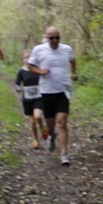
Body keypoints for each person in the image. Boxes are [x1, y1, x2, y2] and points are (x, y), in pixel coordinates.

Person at [27, 26, 77, 166]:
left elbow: (72, 60)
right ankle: (51, 137)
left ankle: (64, 154)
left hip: (63, 90)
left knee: (62, 121)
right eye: (51, 38)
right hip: (46, 91)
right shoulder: (39, 50)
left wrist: (74, 73)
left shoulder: (67, 49)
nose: (55, 40)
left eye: (57, 37)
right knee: (50, 126)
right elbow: (30, 66)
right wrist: (41, 72)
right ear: (46, 38)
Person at [13, 51, 46, 149]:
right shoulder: (21, 71)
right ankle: (35, 139)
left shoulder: (37, 69)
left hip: (39, 97)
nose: (27, 59)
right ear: (23, 59)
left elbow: (45, 78)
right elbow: (17, 83)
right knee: (32, 122)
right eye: (25, 57)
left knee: (38, 116)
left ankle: (42, 127)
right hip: (27, 99)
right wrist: (18, 88)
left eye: (29, 57)